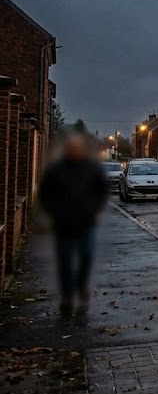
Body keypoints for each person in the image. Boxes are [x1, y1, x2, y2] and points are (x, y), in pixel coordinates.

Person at [38, 132, 109, 316]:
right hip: (63, 223)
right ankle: (68, 297)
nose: (75, 151)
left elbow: (102, 190)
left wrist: (96, 209)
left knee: (86, 255)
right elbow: (45, 194)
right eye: (72, 148)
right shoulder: (56, 170)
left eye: (78, 148)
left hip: (86, 221)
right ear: (67, 150)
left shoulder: (91, 168)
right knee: (65, 260)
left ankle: (82, 284)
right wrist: (54, 211)